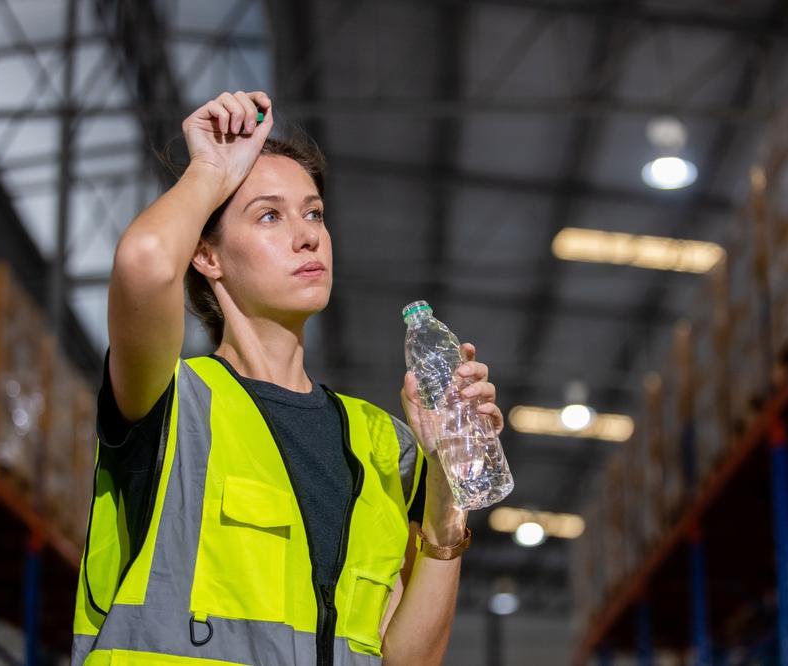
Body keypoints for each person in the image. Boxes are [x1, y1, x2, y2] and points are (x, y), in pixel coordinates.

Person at [70, 90, 504, 666]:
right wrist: (210, 170)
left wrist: (449, 495)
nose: (308, 235)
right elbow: (145, 262)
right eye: (269, 215)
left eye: (315, 213)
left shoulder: (383, 445)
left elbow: (407, 660)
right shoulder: (172, 403)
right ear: (208, 256)